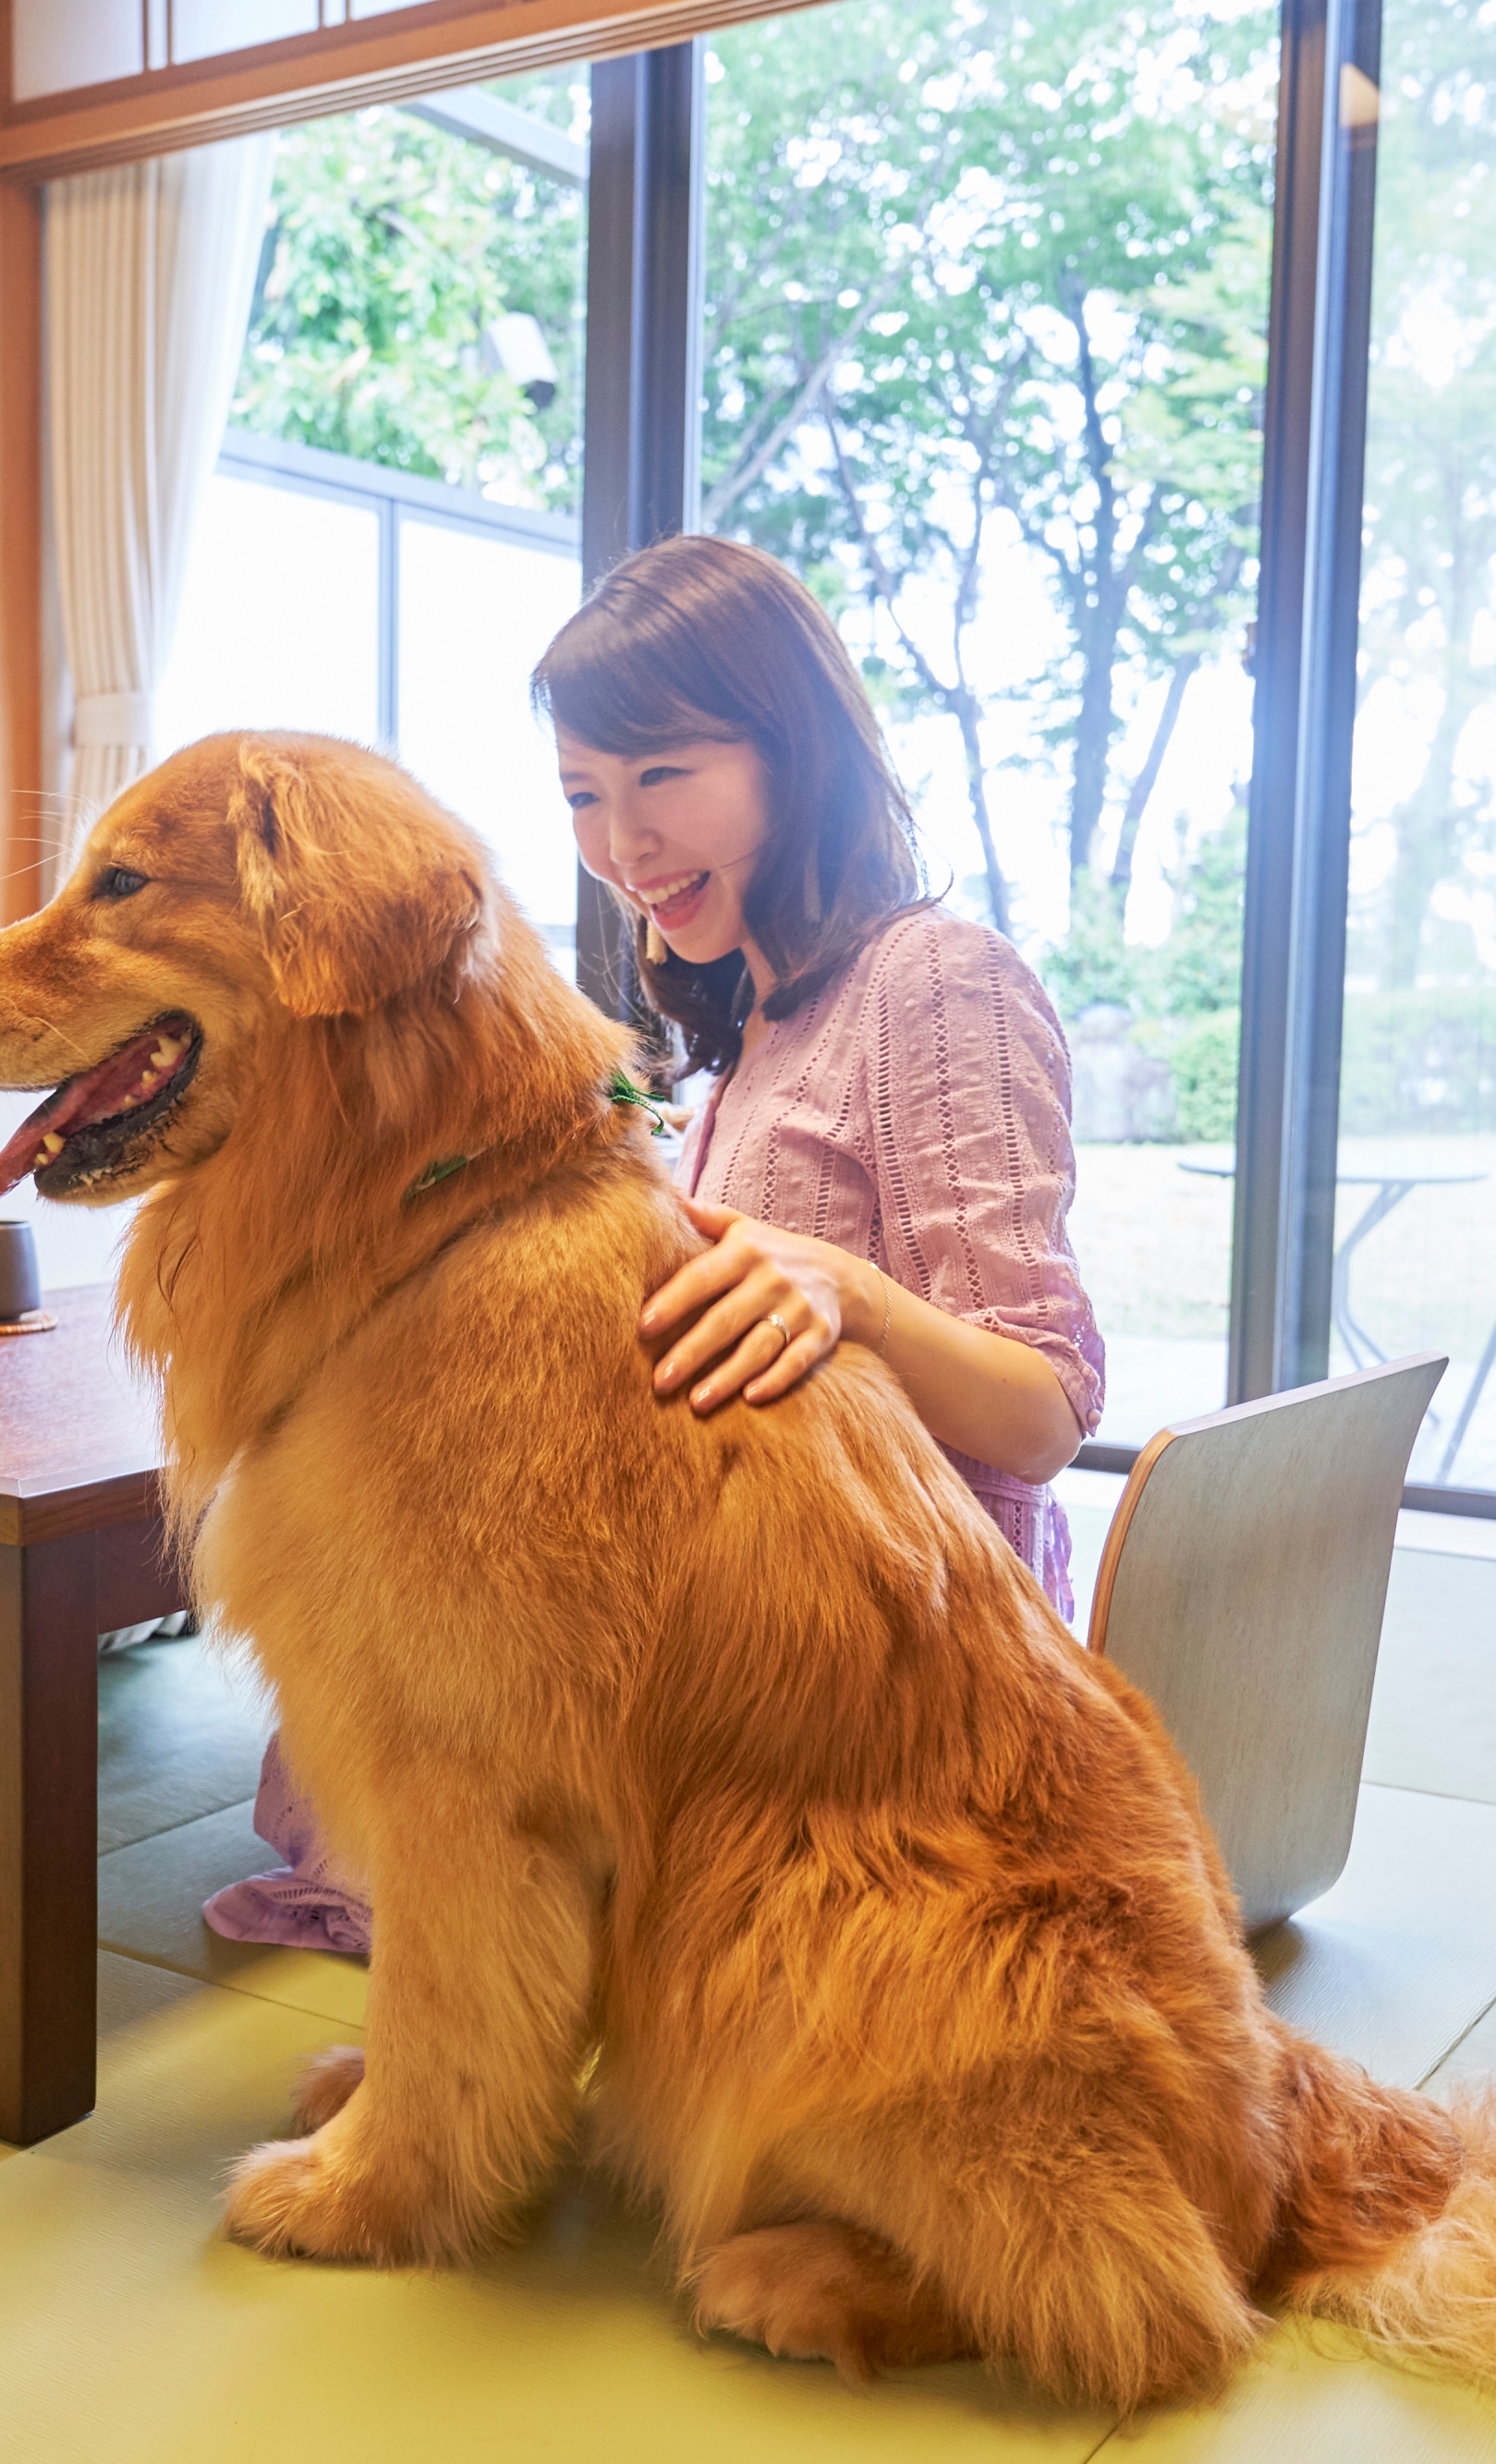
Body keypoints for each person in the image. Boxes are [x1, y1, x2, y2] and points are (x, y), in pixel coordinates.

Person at [203, 534, 1106, 1953]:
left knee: (437, 1742)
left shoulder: (935, 980)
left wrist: (852, 1292)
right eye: (583, 794)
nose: (623, 843)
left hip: (876, 1675)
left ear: (794, 751)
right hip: (729, 1609)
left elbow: (1045, 1413)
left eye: (664, 777)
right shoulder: (748, 1026)